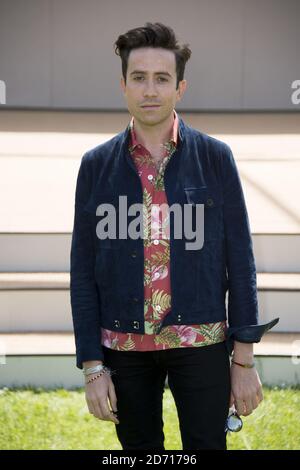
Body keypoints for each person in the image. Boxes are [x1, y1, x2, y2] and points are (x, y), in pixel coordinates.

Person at [70, 22, 279, 450]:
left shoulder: (216, 158)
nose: (150, 90)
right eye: (139, 78)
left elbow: (240, 264)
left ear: (180, 88)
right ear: (123, 85)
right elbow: (82, 273)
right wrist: (93, 365)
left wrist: (243, 360)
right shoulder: (95, 166)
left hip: (201, 343)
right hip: (123, 347)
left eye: (162, 78)